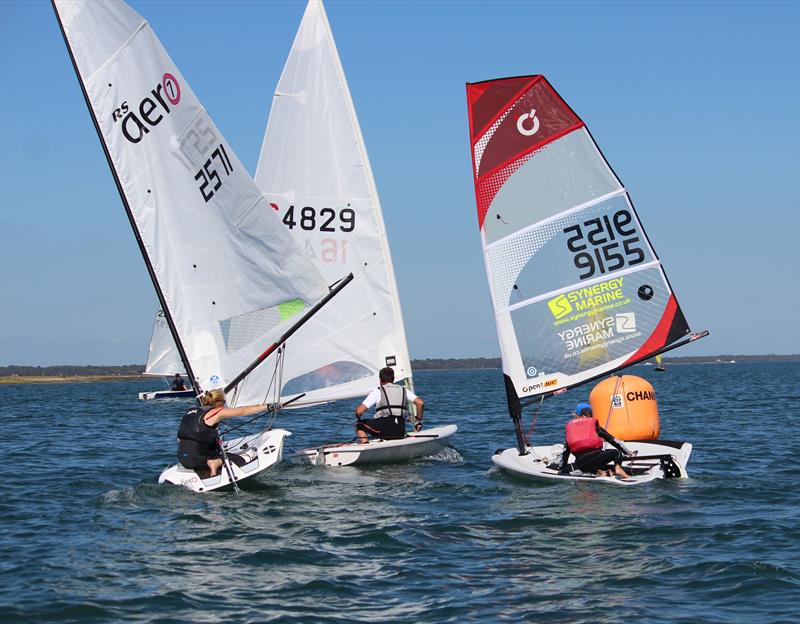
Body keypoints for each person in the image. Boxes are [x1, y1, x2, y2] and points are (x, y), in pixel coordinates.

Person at [176, 388, 278, 476]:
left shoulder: (190, 413)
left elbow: (179, 439)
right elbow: (242, 411)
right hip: (201, 458)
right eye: (224, 402)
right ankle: (216, 462)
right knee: (239, 460)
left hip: (184, 460)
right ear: (218, 401)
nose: (224, 405)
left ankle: (209, 466)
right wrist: (267, 407)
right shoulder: (216, 412)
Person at [558, 403, 633, 478]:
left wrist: (562, 470)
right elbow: (612, 440)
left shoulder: (571, 428)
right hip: (596, 458)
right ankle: (618, 469)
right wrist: (627, 452)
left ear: (577, 415)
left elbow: (565, 452)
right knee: (616, 453)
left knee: (588, 463)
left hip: (581, 464)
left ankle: (599, 472)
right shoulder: (593, 425)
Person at [354, 367, 424, 443]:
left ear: (380, 379)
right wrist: (418, 420)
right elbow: (420, 403)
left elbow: (359, 411)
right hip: (400, 432)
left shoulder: (378, 391)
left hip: (384, 431)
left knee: (358, 424)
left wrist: (358, 416)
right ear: (393, 379)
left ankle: (365, 445)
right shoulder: (404, 390)